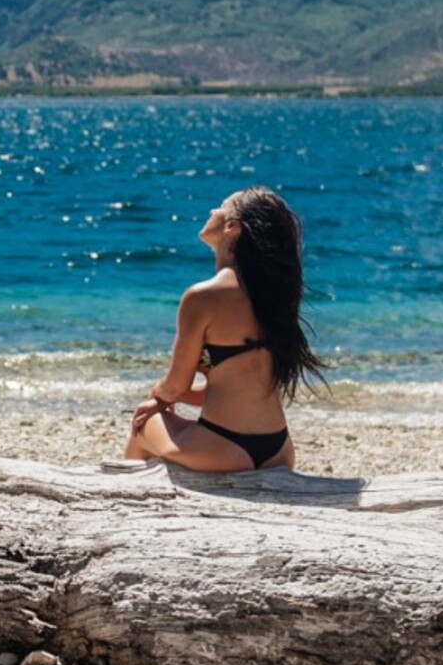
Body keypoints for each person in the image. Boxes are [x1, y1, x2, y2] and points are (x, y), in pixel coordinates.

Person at [123, 187, 324, 471]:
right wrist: (171, 396)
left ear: (231, 227)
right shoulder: (276, 296)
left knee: (142, 423)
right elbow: (230, 386)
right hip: (279, 449)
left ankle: (131, 501)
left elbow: (175, 385)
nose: (212, 212)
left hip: (222, 447)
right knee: (160, 411)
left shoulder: (203, 296)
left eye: (220, 207)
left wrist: (157, 394)